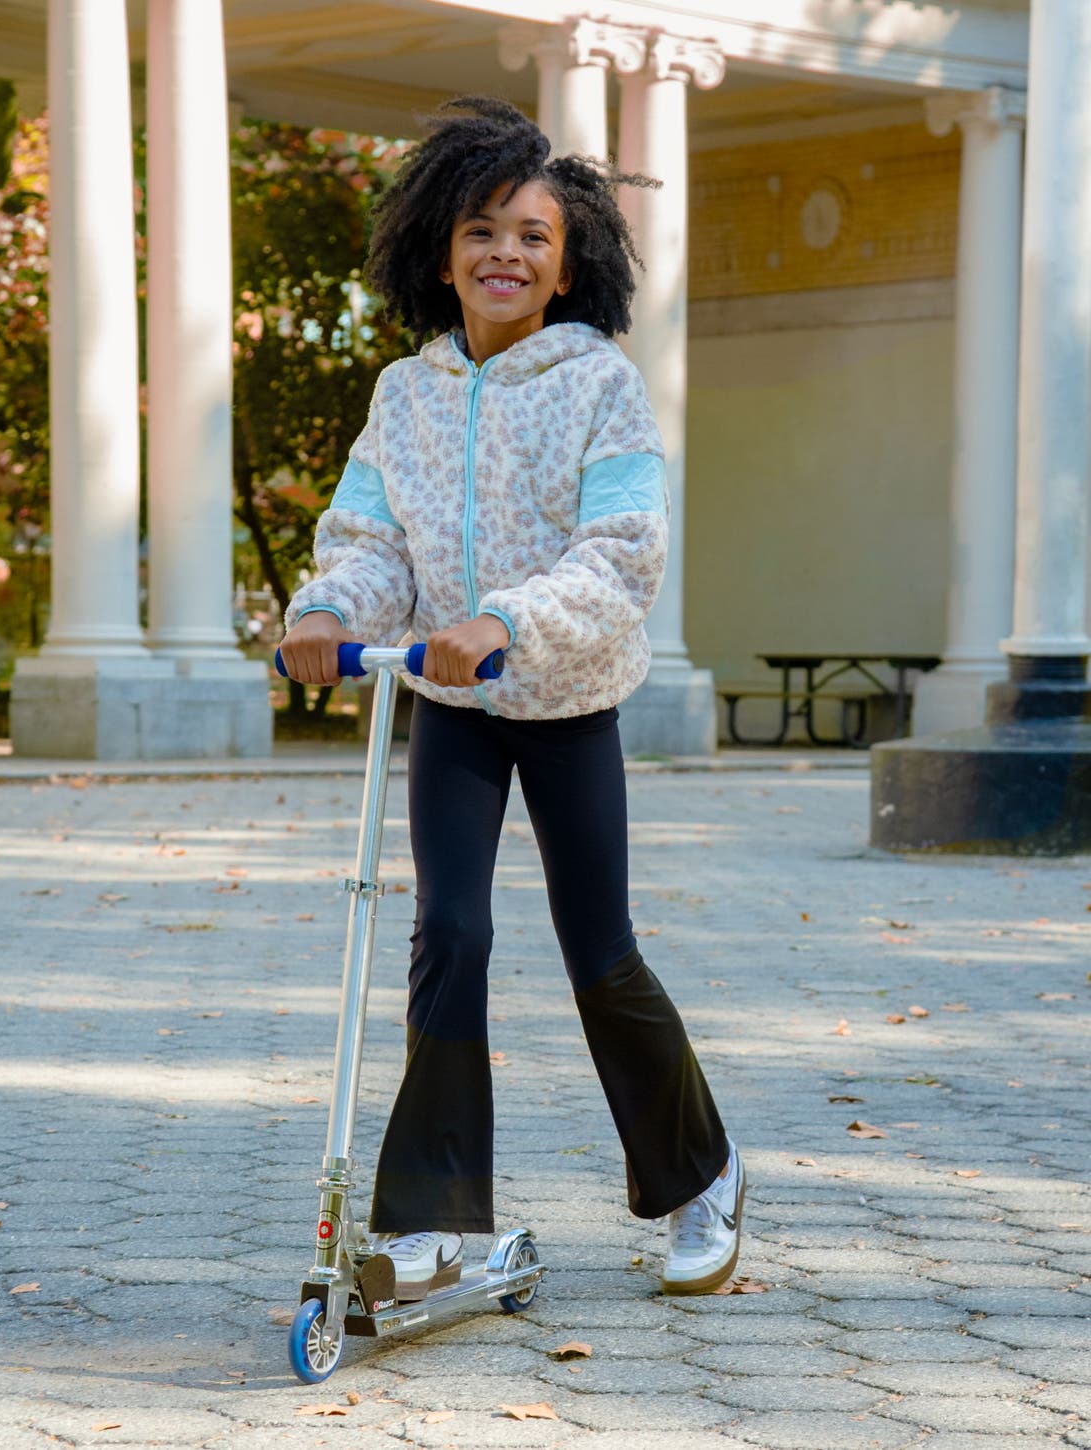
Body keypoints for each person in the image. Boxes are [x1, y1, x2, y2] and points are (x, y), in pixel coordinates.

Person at [279, 96, 744, 1300]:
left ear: (567, 261)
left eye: (532, 236)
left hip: (569, 697)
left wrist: (507, 621)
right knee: (451, 933)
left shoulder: (600, 384)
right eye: (483, 230)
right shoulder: (406, 391)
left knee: (599, 952)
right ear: (440, 250)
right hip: (456, 710)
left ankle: (699, 1174)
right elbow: (371, 537)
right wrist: (330, 612)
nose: (505, 254)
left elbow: (624, 548)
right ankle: (430, 1215)